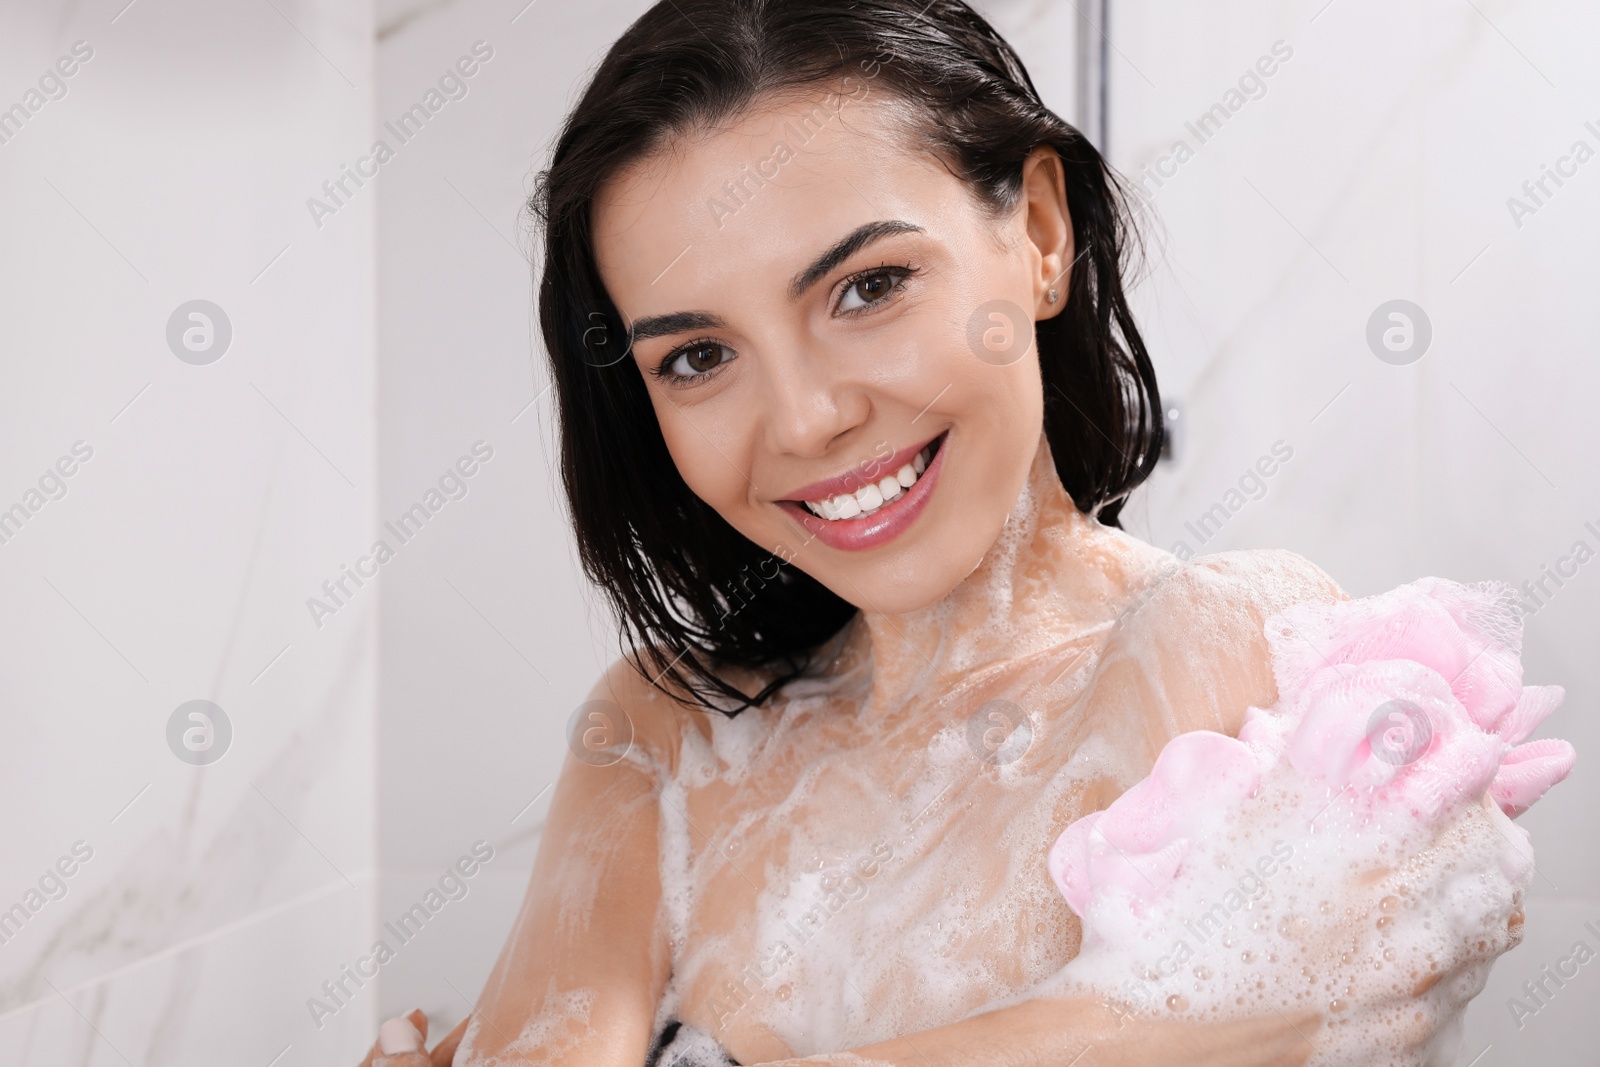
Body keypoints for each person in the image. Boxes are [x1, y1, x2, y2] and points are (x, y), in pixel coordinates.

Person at [358, 2, 1539, 1063]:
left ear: (1035, 231)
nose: (809, 418)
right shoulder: (669, 729)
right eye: (700, 356)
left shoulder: (1210, 647)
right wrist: (1149, 1029)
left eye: (867, 287)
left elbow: (1301, 1009)